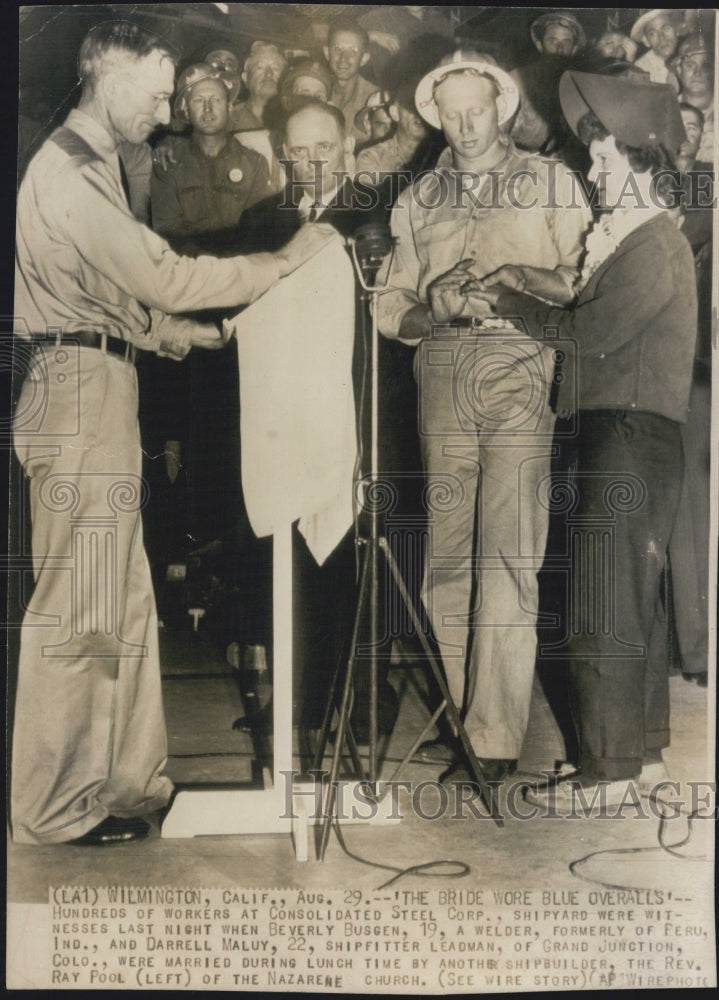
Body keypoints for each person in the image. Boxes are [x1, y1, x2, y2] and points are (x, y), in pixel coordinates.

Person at [11, 19, 333, 846]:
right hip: (79, 392)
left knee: (119, 596)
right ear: (108, 74)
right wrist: (285, 260)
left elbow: (110, 296)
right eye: (157, 94)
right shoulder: (72, 171)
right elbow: (163, 273)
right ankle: (53, 807)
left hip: (103, 380)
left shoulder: (98, 168)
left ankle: (125, 785)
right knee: (81, 603)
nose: (164, 112)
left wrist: (167, 336)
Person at [469, 71, 696, 812]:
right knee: (634, 607)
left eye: (606, 158)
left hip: (622, 436)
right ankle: (641, 756)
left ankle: (605, 771)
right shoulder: (641, 240)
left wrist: (505, 300)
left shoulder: (649, 244)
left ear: (644, 161)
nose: (593, 170)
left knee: (600, 604)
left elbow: (586, 334)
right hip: (639, 438)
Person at [376, 52, 591, 787]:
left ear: (501, 106)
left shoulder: (551, 182)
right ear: (435, 115)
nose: (466, 126)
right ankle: (469, 715)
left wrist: (517, 285)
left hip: (519, 366)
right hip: (439, 371)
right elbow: (387, 305)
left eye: (479, 109)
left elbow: (583, 280)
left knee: (507, 554)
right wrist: (425, 307)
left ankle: (494, 737)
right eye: (452, 112)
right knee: (444, 559)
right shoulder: (416, 197)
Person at [236, 100, 398, 746]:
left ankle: (359, 709)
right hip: (284, 423)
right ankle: (299, 716)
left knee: (357, 564)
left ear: (349, 144)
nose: (310, 163)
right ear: (281, 154)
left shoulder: (376, 214)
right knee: (289, 567)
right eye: (298, 152)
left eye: (323, 148)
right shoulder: (256, 223)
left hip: (360, 417)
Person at [324, 18, 377, 145]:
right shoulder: (318, 92)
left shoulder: (374, 100)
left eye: (353, 51)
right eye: (338, 48)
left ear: (364, 58)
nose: (344, 58)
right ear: (327, 53)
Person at [676, 32, 715, 163]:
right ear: (679, 70)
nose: (698, 72)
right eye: (690, 65)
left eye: (706, 65)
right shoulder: (664, 111)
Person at [630, 9, 680, 90]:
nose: (661, 37)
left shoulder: (690, 51)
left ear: (677, 29)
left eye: (666, 28)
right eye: (652, 34)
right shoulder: (641, 68)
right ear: (646, 41)